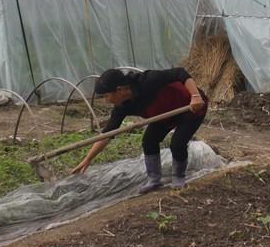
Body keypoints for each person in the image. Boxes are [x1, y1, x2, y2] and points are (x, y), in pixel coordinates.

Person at [71, 67, 208, 192]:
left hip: (191, 108)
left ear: (119, 90)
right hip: (163, 115)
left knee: (177, 144)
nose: (106, 101)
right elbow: (107, 133)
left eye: (106, 96)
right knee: (149, 141)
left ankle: (179, 177)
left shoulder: (148, 80)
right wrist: (88, 159)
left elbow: (180, 73)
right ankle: (154, 180)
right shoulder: (122, 107)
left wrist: (195, 96)